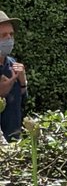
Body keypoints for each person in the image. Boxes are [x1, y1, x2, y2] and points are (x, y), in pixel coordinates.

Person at [0, 11, 27, 142]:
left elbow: (21, 101)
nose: (9, 39)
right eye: (3, 35)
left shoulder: (12, 63)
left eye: (11, 34)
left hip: (14, 141)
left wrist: (23, 82)